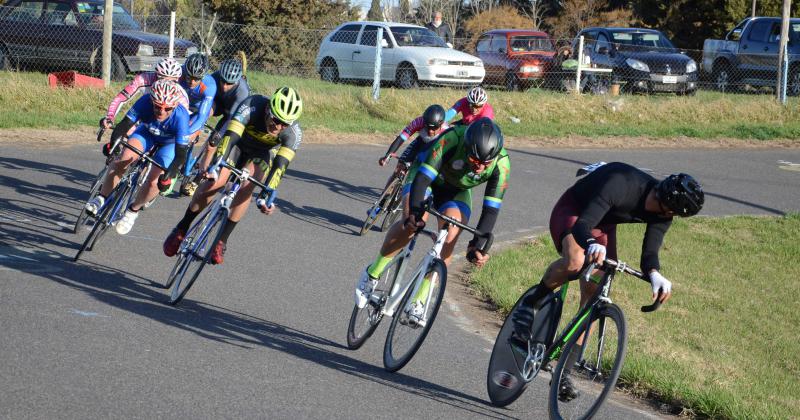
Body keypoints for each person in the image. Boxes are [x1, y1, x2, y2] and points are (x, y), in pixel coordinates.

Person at [511, 162, 704, 401]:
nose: (670, 217)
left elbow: (649, 253)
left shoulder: (664, 214)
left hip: (603, 226)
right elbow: (583, 225)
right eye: (672, 212)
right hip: (576, 211)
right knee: (575, 262)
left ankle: (564, 372)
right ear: (667, 204)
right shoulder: (622, 185)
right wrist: (590, 243)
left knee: (595, 295)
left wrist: (655, 274)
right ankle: (530, 304)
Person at [354, 117, 511, 326]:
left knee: (451, 235)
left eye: (486, 163)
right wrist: (416, 214)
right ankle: (372, 274)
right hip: (425, 177)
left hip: (456, 191)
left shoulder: (502, 164)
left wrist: (476, 246)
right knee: (411, 224)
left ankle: (418, 301)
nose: (480, 167)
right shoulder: (452, 139)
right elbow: (423, 179)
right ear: (466, 148)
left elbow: (490, 211)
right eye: (475, 161)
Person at [162, 87, 303, 265]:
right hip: (236, 144)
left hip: (259, 154)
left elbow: (280, 166)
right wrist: (216, 166)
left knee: (247, 187)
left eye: (285, 124)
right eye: (276, 120)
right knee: (216, 181)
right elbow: (230, 138)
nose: (279, 127)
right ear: (268, 109)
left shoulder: (293, 134)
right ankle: (182, 227)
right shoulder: (252, 105)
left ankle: (221, 241)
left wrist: (267, 195)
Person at [85, 80, 191, 235]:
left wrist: (168, 176)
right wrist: (113, 145)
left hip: (169, 143)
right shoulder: (144, 102)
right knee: (123, 158)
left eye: (167, 108)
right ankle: (101, 198)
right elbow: (123, 126)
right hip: (146, 133)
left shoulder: (181, 118)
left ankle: (132, 211)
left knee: (155, 181)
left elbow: (181, 155)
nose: (161, 111)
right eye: (157, 106)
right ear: (151, 101)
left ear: (174, 106)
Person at [368, 105, 449, 218]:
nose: (430, 131)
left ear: (440, 124)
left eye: (434, 128)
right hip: (419, 143)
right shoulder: (419, 121)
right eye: (427, 127)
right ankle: (379, 204)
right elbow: (401, 138)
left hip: (434, 149)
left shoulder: (447, 131)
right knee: (399, 169)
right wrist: (388, 155)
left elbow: (447, 154)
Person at [191, 58, 252, 193]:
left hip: (233, 114)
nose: (224, 86)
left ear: (236, 81)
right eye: (223, 81)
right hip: (218, 103)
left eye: (229, 83)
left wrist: (217, 138)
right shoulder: (215, 76)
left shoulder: (242, 92)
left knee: (212, 143)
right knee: (204, 112)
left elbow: (231, 121)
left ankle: (199, 176)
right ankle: (192, 135)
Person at [101, 57, 189, 130]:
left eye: (171, 81)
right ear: (156, 75)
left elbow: (183, 121)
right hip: (144, 115)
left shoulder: (180, 94)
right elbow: (121, 98)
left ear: (177, 80)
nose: (165, 83)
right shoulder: (144, 79)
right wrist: (110, 117)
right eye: (161, 79)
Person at [177, 53, 218, 196]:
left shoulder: (210, 85)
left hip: (198, 110)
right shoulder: (179, 73)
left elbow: (202, 116)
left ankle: (187, 170)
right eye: (189, 77)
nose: (192, 82)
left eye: (196, 79)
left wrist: (188, 132)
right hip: (182, 105)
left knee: (189, 135)